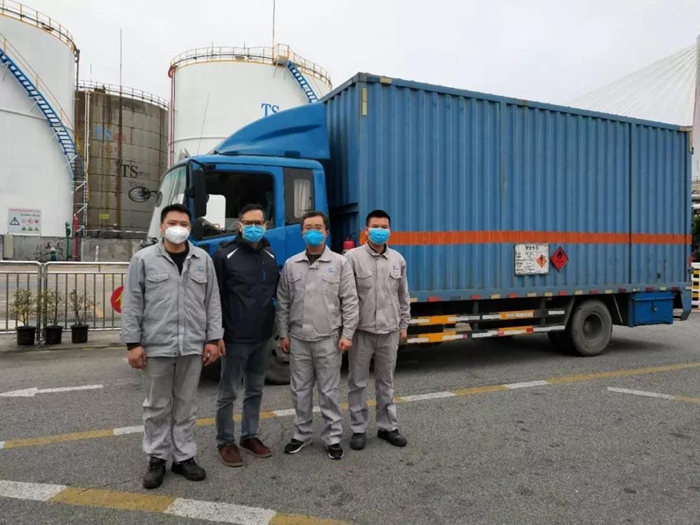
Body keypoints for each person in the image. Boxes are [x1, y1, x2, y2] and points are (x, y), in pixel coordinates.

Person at [121, 203, 223, 490]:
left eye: (184, 224)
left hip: (192, 344)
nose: (178, 228)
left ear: (190, 228)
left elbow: (212, 302)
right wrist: (133, 343)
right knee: (156, 406)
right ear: (162, 227)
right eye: (173, 223)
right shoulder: (143, 260)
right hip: (156, 345)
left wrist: (213, 339)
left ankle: (184, 457)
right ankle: (157, 458)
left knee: (186, 404)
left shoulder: (203, 259)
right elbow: (132, 302)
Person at [276, 210, 359, 460]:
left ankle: (333, 437)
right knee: (299, 391)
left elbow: (350, 301)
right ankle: (302, 434)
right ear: (302, 233)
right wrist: (283, 333)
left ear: (326, 232)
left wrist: (348, 334)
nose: (313, 232)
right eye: (308, 228)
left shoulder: (340, 263)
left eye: (318, 228)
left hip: (328, 339)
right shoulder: (291, 264)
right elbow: (283, 302)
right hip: (298, 339)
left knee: (328, 391)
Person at [212, 204, 280, 467]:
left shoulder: (269, 255)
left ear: (266, 225)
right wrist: (216, 335)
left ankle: (249, 436)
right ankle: (225, 441)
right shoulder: (224, 255)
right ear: (239, 225)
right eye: (248, 223)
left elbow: (273, 294)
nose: (254, 227)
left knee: (255, 390)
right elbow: (214, 298)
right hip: (234, 337)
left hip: (262, 336)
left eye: (258, 223)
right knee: (228, 392)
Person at [345, 210, 411, 450]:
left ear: (390, 230)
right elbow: (346, 297)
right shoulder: (351, 258)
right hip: (361, 332)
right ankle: (358, 429)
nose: (380, 230)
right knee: (357, 383)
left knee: (386, 382)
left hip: (389, 331)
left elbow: (403, 295)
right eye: (375, 226)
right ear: (366, 230)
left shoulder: (397, 259)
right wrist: (346, 331)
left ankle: (387, 427)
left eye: (384, 226)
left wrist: (404, 325)